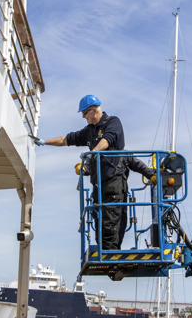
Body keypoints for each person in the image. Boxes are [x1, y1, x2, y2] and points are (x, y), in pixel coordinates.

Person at [33, 95, 126, 249]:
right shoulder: (90, 130)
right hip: (99, 185)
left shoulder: (113, 122)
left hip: (114, 181)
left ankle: (112, 259)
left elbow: (107, 140)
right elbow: (66, 139)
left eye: (84, 113)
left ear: (94, 110)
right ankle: (108, 257)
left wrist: (92, 153)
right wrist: (44, 141)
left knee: (111, 221)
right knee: (99, 221)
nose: (83, 117)